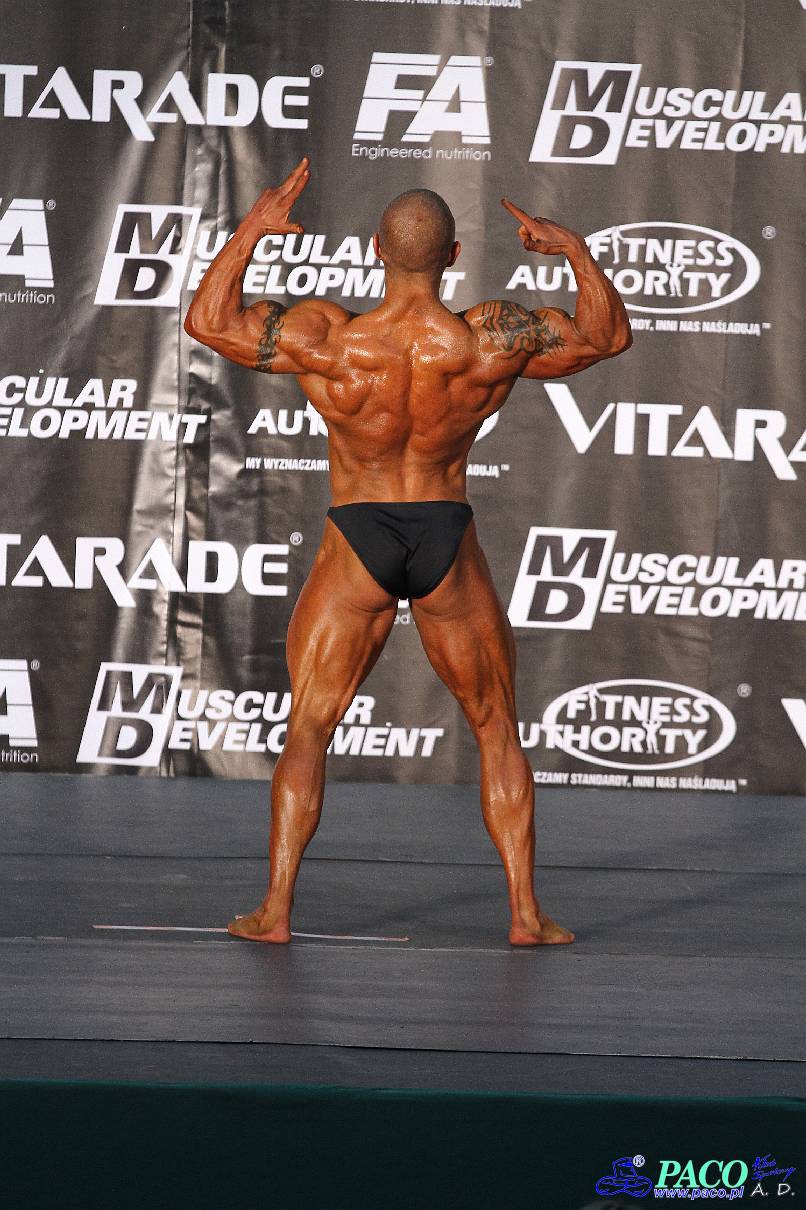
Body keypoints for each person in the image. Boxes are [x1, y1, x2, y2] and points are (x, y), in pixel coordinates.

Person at [184, 157, 632, 945]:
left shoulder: (330, 338)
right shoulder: (488, 338)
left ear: (374, 250)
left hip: (358, 532)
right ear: (453, 256)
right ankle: (525, 915)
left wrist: (252, 229)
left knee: (309, 726)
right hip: (442, 531)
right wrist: (575, 251)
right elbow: (607, 336)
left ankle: (276, 910)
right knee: (495, 726)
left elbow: (210, 324)